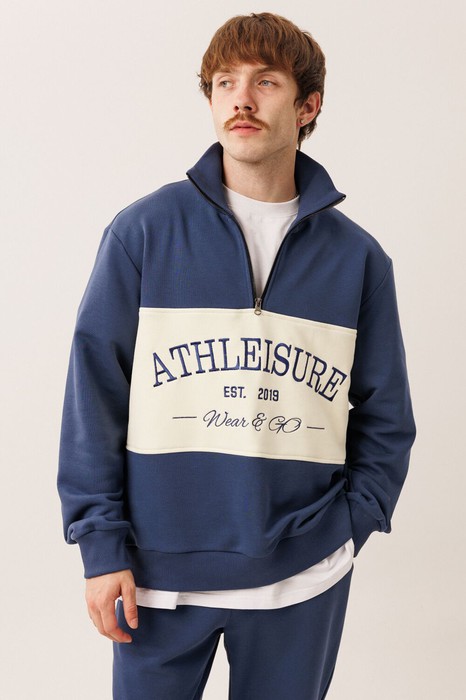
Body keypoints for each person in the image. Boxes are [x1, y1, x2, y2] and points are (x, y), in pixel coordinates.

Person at [57, 12, 416, 700]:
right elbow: (94, 396)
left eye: (266, 82)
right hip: (155, 576)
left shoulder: (358, 260)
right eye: (225, 82)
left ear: (308, 106)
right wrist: (100, 547)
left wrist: (348, 528)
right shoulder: (143, 233)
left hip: (303, 573)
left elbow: (387, 417)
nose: (241, 99)